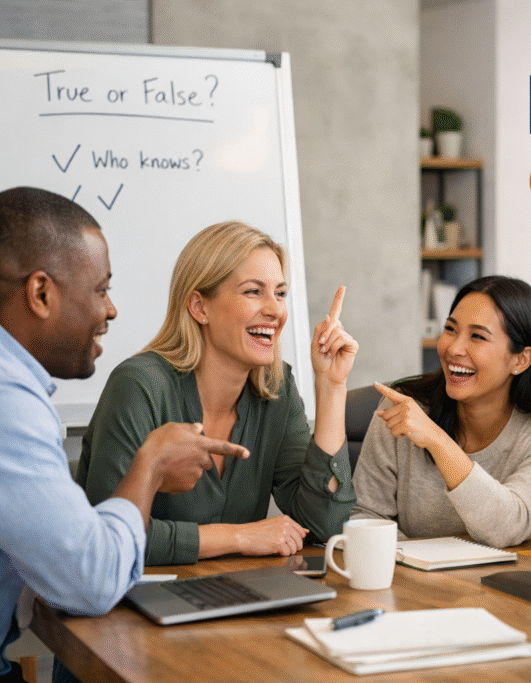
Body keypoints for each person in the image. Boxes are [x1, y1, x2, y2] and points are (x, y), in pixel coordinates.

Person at [0, 187, 249, 683]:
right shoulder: (10, 404)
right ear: (41, 293)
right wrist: (151, 464)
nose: (110, 310)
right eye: (100, 289)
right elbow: (90, 580)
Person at [75, 221, 358, 565]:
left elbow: (325, 526)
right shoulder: (138, 386)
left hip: (233, 598)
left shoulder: (276, 387)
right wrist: (238, 536)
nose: (275, 310)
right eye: (254, 292)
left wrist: (331, 387)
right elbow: (106, 537)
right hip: (130, 605)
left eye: (280, 293)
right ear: (199, 307)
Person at [351, 275, 531, 548]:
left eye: (477, 336)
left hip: (505, 585)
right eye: (450, 329)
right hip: (410, 584)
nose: (454, 348)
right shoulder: (404, 406)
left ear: (520, 360)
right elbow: (365, 516)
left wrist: (437, 441)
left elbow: (510, 526)